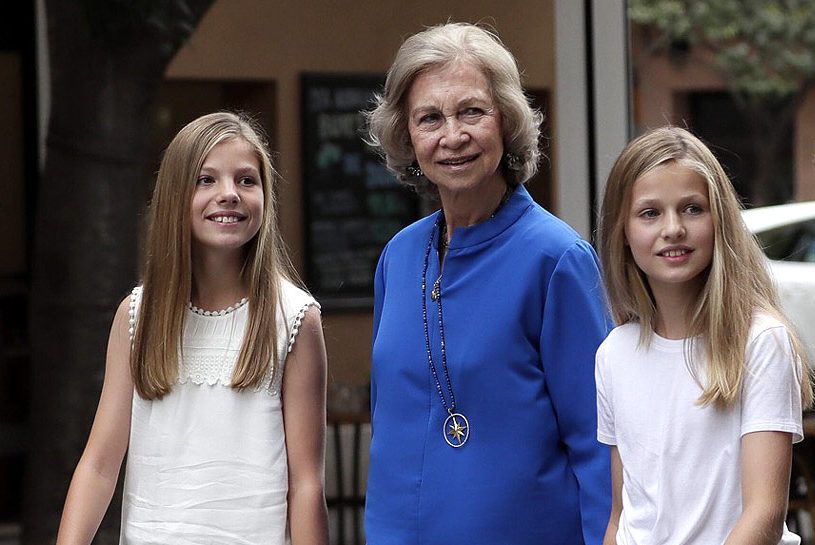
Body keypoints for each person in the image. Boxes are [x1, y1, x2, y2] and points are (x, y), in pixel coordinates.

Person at [364, 22, 611, 544]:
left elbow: (599, 443)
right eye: (429, 118)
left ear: (506, 120)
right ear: (407, 136)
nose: (452, 136)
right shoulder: (398, 258)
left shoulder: (557, 259)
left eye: (471, 111)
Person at [55, 112, 329, 545]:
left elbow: (307, 483)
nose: (228, 194)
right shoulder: (137, 316)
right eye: (206, 179)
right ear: (174, 196)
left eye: (246, 180)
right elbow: (100, 465)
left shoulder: (294, 318)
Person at [596, 126, 813, 544]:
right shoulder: (613, 354)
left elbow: (764, 514)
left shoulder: (761, 341)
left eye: (692, 209)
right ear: (622, 231)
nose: (673, 228)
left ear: (720, 220)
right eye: (650, 213)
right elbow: (623, 514)